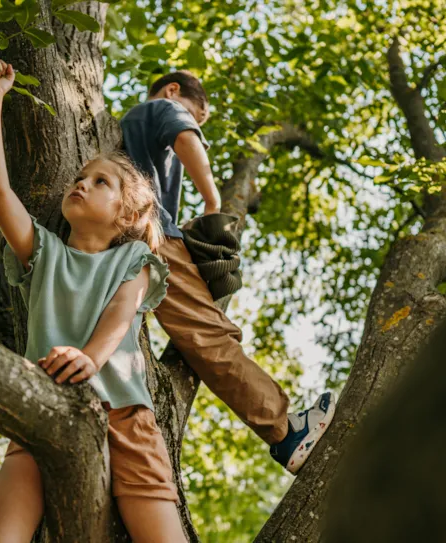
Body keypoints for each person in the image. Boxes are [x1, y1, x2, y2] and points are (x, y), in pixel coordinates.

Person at [0, 58, 186, 543]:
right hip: (42, 407)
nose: (81, 183)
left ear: (127, 212)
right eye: (81, 176)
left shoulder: (133, 258)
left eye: (100, 182)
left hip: (128, 417)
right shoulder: (42, 251)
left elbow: (121, 312)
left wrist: (88, 359)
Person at [120, 71, 336, 474]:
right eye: (198, 116)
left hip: (119, 245)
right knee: (211, 337)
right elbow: (185, 139)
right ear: (173, 92)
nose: (196, 125)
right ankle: (287, 432)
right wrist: (211, 199)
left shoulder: (128, 131)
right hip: (151, 239)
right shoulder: (161, 107)